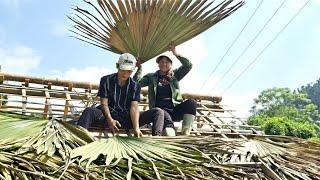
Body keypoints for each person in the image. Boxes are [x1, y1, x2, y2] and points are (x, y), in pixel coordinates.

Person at [77, 53, 165, 137]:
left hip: (126, 118)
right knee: (89, 111)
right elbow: (104, 103)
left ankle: (156, 139)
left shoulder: (135, 85)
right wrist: (110, 120)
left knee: (158, 112)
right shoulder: (106, 80)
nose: (125, 73)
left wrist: (136, 128)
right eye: (123, 70)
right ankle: (78, 138)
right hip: (107, 117)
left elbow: (134, 107)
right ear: (117, 66)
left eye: (129, 71)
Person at [134, 45, 197, 135]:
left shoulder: (175, 75)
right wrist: (139, 68)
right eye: (162, 62)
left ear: (171, 64)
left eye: (167, 62)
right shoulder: (151, 77)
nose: (164, 64)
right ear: (158, 64)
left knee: (191, 103)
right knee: (169, 133)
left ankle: (185, 132)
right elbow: (136, 83)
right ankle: (168, 130)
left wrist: (176, 53)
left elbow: (188, 65)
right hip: (161, 111)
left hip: (175, 109)